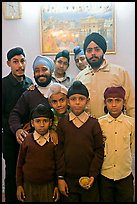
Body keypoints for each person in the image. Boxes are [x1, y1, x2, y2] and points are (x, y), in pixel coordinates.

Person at [56, 80, 104, 202]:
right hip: (68, 179)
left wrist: (93, 174)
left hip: (89, 178)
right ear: (68, 101)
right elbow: (59, 151)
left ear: (87, 101)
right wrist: (60, 177)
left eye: (81, 99)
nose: (77, 103)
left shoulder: (94, 124)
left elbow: (99, 151)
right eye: (73, 99)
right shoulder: (63, 124)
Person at [75, 32, 135, 118]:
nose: (93, 53)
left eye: (97, 49)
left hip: (114, 128)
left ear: (103, 51)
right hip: (87, 128)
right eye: (89, 50)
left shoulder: (119, 72)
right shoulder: (80, 77)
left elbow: (131, 104)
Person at [2, 47, 33, 202]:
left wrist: (28, 124)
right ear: (9, 64)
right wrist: (16, 128)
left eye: (22, 61)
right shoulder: (3, 85)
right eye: (15, 62)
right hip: (9, 138)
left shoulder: (29, 82)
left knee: (27, 171)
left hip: (28, 137)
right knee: (12, 173)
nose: (20, 65)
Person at [9, 55, 57, 145]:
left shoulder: (60, 92)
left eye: (44, 69)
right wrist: (18, 129)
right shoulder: (29, 94)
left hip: (57, 145)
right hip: (35, 146)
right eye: (37, 71)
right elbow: (14, 114)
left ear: (51, 71)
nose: (40, 73)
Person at [16, 103, 60, 202]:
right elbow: (19, 164)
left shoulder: (53, 141)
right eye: (38, 121)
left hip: (48, 186)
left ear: (50, 122)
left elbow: (58, 164)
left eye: (45, 121)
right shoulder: (27, 140)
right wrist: (19, 185)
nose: (41, 125)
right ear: (32, 123)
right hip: (29, 185)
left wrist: (56, 185)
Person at [98, 86, 135, 202]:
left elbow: (132, 147)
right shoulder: (99, 123)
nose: (114, 105)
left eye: (117, 100)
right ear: (105, 102)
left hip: (124, 175)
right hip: (105, 175)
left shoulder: (131, 123)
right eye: (110, 101)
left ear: (124, 102)